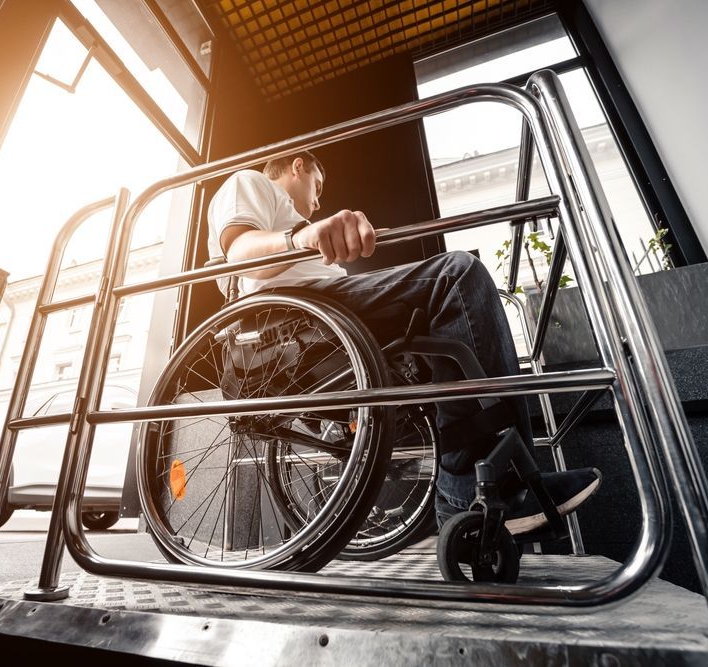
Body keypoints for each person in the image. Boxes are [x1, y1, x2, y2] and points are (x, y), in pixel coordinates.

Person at [207, 151, 600, 534]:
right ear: (298, 166)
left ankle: (481, 487)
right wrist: (304, 235)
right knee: (457, 275)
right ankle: (483, 489)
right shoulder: (252, 182)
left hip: (320, 316)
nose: (318, 199)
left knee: (446, 333)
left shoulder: (291, 220)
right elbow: (241, 253)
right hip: (297, 322)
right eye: (317, 185)